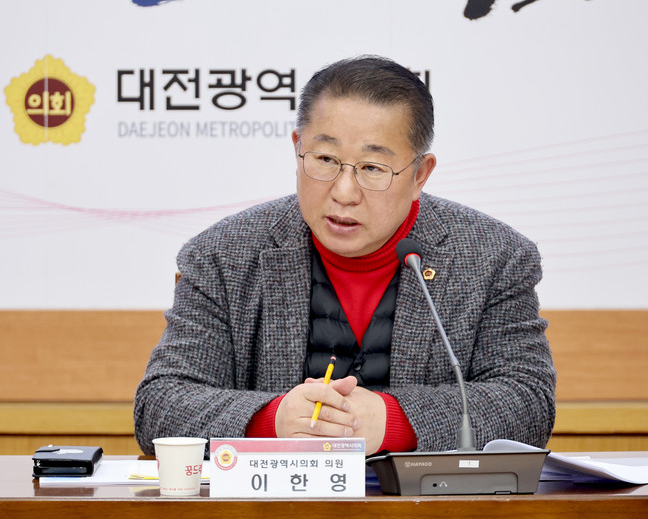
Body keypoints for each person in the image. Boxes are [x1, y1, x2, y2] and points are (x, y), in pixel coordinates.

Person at [133, 55, 556, 456]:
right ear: (297, 148)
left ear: (419, 175)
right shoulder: (222, 255)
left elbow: (529, 403)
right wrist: (273, 420)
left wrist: (392, 421)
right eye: (325, 159)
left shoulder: (495, 257)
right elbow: (161, 405)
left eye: (372, 168)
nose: (344, 192)